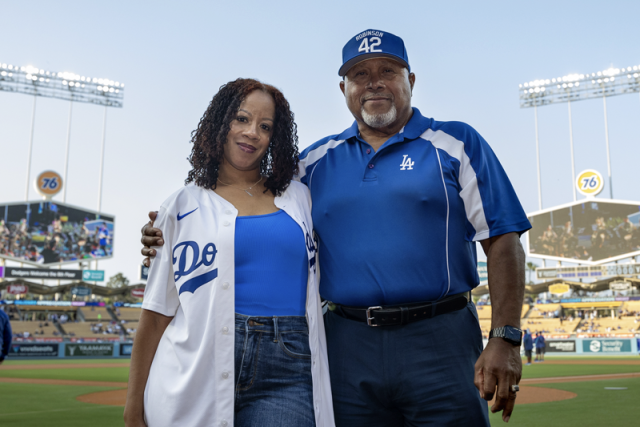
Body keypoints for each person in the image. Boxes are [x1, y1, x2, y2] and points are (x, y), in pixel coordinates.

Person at [142, 30, 530, 426]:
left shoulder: (455, 142)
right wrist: (171, 224)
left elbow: (503, 239)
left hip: (439, 338)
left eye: (388, 70)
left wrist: (505, 336)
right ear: (343, 88)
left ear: (410, 81)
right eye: (360, 74)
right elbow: (245, 198)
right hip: (345, 343)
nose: (374, 81)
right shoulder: (312, 163)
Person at [125, 79, 334, 427]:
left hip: (289, 362)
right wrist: (133, 411)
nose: (252, 132)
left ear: (274, 138)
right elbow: (156, 313)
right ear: (220, 123)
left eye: (265, 126)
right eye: (241, 118)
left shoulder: (301, 197)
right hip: (197, 362)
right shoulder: (181, 205)